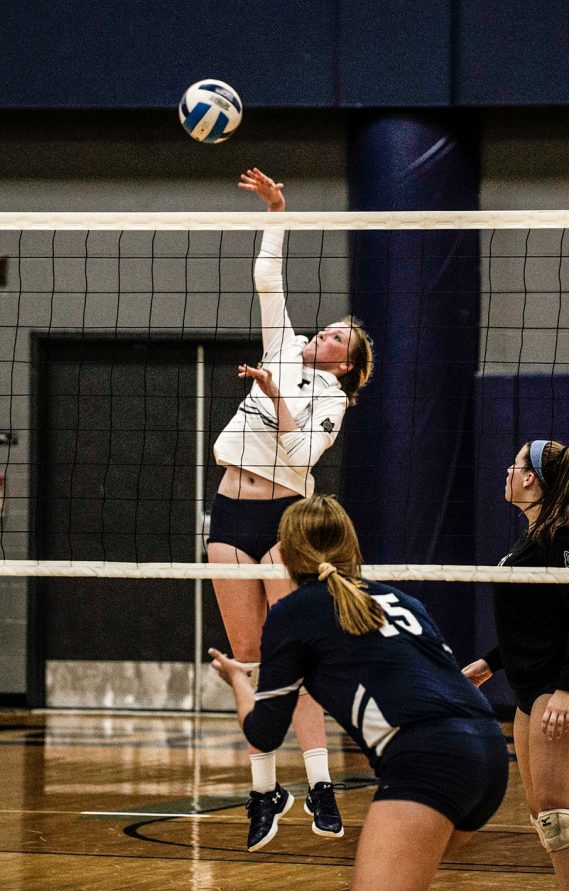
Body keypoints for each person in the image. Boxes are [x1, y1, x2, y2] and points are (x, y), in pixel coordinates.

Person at [210, 495, 509, 891]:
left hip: (429, 760)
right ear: (351, 544)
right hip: (490, 751)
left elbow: (265, 733)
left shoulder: (295, 612)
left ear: (285, 552)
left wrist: (239, 681)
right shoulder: (403, 600)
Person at [206, 169, 374, 851]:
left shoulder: (332, 400)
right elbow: (267, 278)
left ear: (346, 366)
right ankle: (262, 789)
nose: (324, 335)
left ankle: (320, 782)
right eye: (327, 329)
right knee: (248, 658)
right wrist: (278, 209)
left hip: (283, 527)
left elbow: (301, 458)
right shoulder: (282, 345)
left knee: (291, 657)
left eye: (338, 338)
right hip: (227, 514)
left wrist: (275, 396)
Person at [463, 439, 569, 891]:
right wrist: (492, 662)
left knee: (559, 815)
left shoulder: (568, 541)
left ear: (531, 478)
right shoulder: (531, 538)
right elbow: (535, 619)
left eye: (514, 465)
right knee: (542, 814)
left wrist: (567, 691)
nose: (506, 472)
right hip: (534, 685)